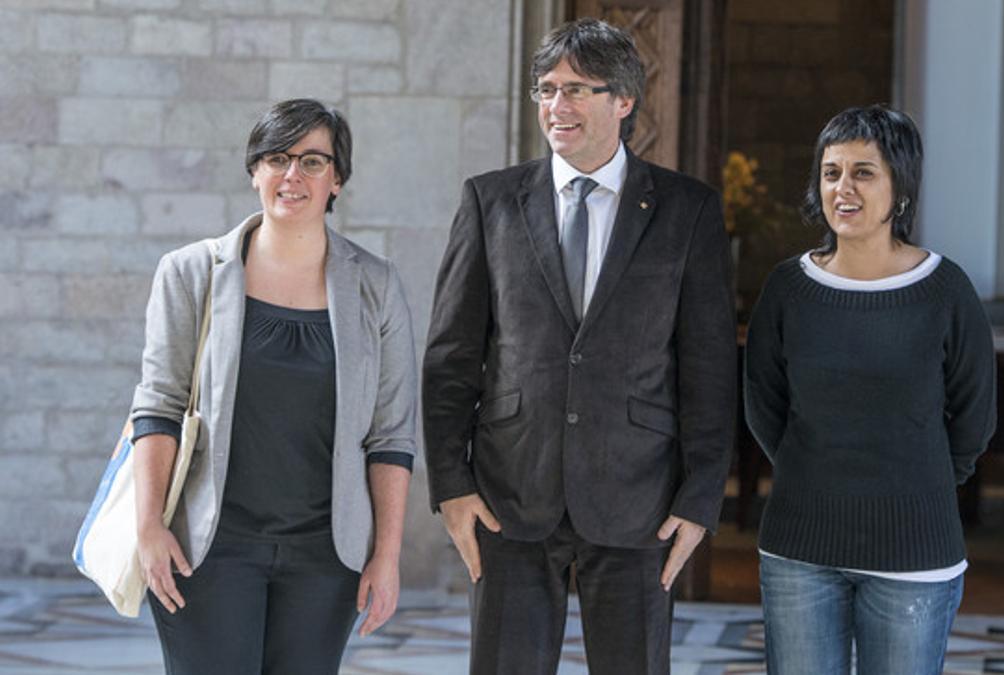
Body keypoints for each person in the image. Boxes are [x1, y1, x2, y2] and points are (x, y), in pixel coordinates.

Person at [422, 17, 737, 675]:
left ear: (623, 100)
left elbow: (709, 367)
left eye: (576, 90)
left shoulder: (688, 211)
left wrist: (700, 498)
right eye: (545, 89)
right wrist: (451, 481)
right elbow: (452, 355)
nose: (555, 107)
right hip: (509, 497)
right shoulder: (491, 201)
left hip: (640, 501)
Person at [129, 98, 417, 675]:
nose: (293, 175)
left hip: (326, 557)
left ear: (337, 180)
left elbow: (391, 434)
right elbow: (158, 408)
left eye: (313, 162)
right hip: (207, 549)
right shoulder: (189, 273)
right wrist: (149, 528)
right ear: (254, 171)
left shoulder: (376, 286)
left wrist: (386, 555)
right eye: (278, 158)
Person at [743, 105, 996, 674]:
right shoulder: (788, 288)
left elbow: (974, 416)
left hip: (914, 553)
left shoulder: (944, 290)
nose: (843, 188)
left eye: (863, 172)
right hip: (799, 549)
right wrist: (815, 472)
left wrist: (917, 482)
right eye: (831, 173)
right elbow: (763, 402)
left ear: (899, 188)